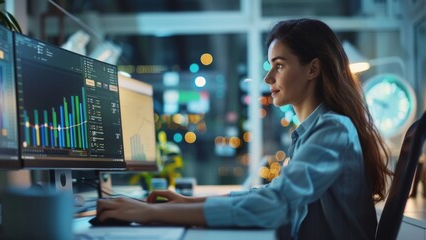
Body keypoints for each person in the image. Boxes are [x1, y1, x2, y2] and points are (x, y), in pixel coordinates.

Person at [96, 18, 392, 240]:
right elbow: (272, 192)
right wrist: (189, 202)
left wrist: (150, 213)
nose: (267, 78)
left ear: (312, 69)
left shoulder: (333, 130)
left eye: (279, 65)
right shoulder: (314, 132)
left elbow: (275, 205)